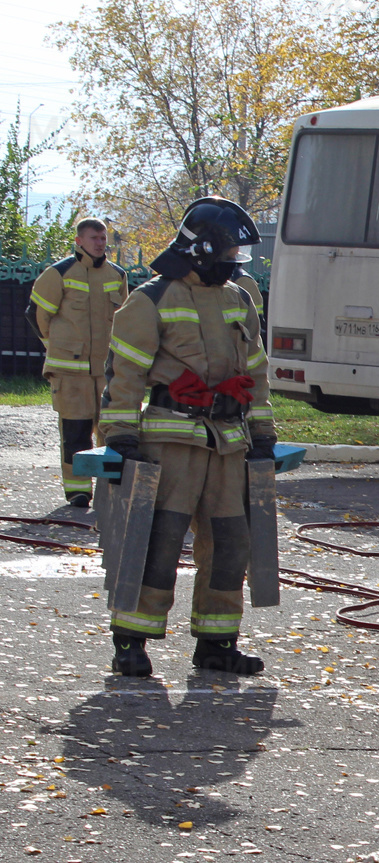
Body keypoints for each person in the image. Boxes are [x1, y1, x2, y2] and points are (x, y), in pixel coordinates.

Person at [100, 198, 274, 677]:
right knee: (156, 543)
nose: (234, 263)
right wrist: (120, 433)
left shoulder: (238, 299)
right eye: (228, 254)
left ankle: (217, 643)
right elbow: (124, 374)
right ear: (201, 250)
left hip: (228, 444)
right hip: (171, 442)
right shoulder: (151, 299)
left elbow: (256, 373)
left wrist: (262, 431)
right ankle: (131, 641)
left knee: (230, 544)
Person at [29, 218, 127, 507]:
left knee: (112, 432)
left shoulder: (117, 275)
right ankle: (78, 492)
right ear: (79, 241)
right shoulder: (59, 273)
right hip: (69, 372)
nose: (100, 243)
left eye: (103, 237)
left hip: (106, 371)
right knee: (76, 432)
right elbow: (37, 314)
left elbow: (125, 319)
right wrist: (57, 346)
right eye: (94, 238)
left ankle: (109, 492)